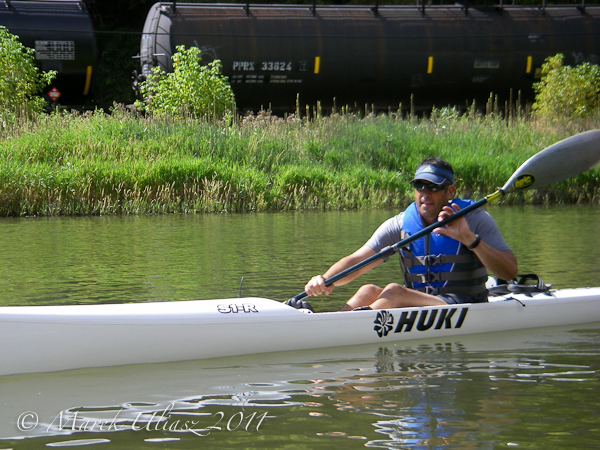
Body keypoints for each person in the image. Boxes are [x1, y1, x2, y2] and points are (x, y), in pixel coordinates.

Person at [303, 157, 518, 311]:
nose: (425, 193)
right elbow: (358, 259)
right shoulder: (400, 224)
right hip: (421, 305)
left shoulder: (475, 219)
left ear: (450, 192)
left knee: (394, 291)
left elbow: (509, 272)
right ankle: (336, 331)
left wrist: (469, 238)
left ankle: (353, 330)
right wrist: (325, 279)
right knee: (367, 290)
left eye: (433, 187)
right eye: (419, 186)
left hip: (465, 305)